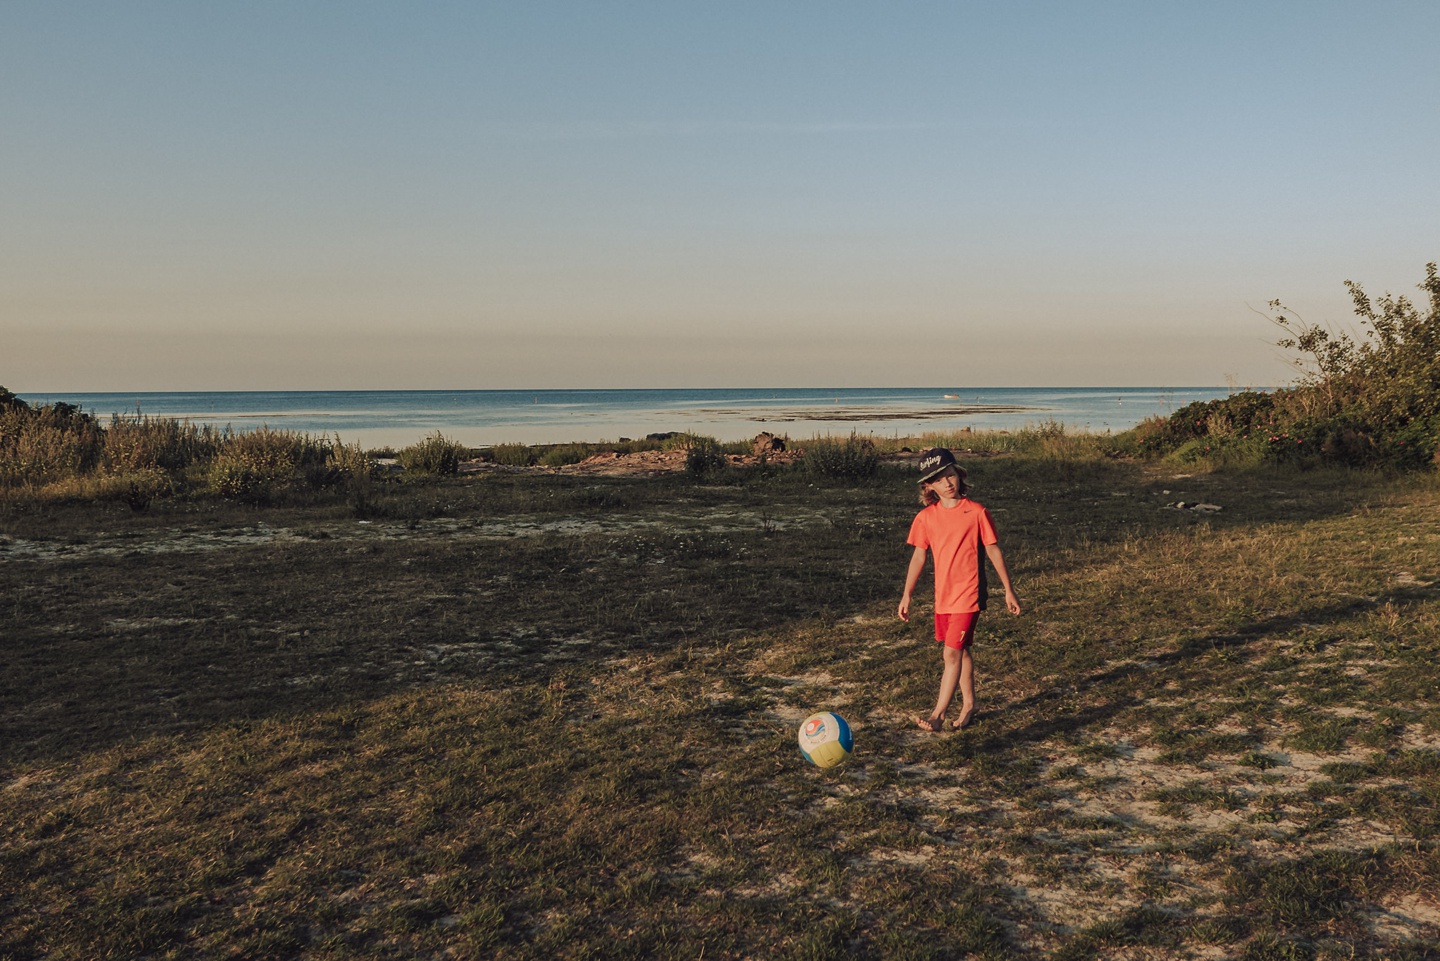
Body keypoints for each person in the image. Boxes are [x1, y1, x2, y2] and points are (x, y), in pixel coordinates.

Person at [898, 447, 1021, 731]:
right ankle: (970, 704)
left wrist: (1008, 590)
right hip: (943, 598)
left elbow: (993, 551)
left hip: (969, 595)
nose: (948, 483)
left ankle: (937, 715)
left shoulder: (976, 512)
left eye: (951, 475)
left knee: (950, 654)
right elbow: (919, 556)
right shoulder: (926, 517)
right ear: (929, 486)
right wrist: (907, 594)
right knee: (961, 650)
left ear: (959, 475)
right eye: (940, 479)